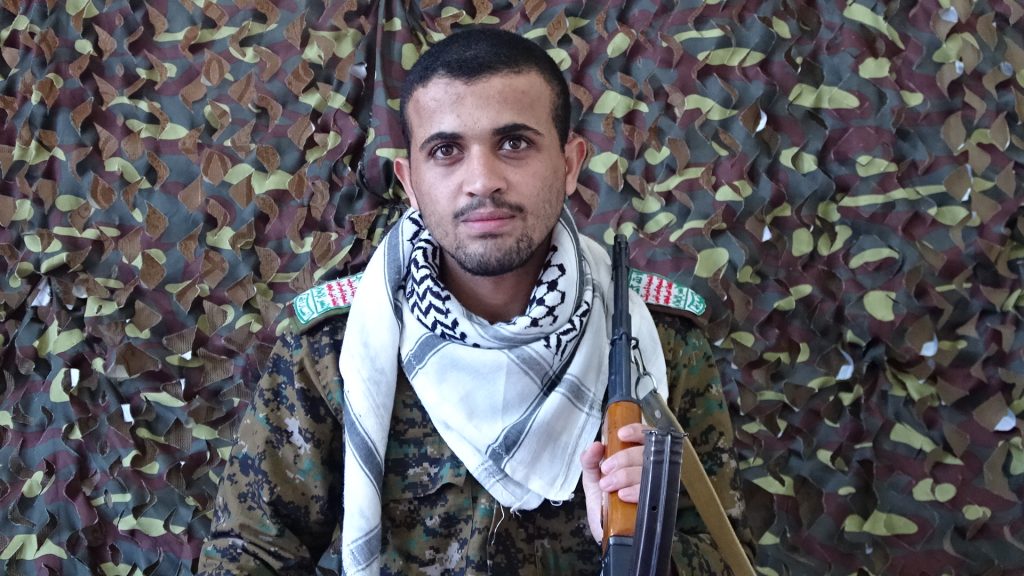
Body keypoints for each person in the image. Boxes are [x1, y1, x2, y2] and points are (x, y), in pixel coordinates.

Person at [198, 27, 750, 575]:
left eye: (514, 143)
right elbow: (247, 556)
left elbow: (727, 558)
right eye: (446, 151)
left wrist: (645, 543)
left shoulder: (656, 344)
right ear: (410, 182)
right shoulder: (333, 348)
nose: (482, 181)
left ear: (569, 164)